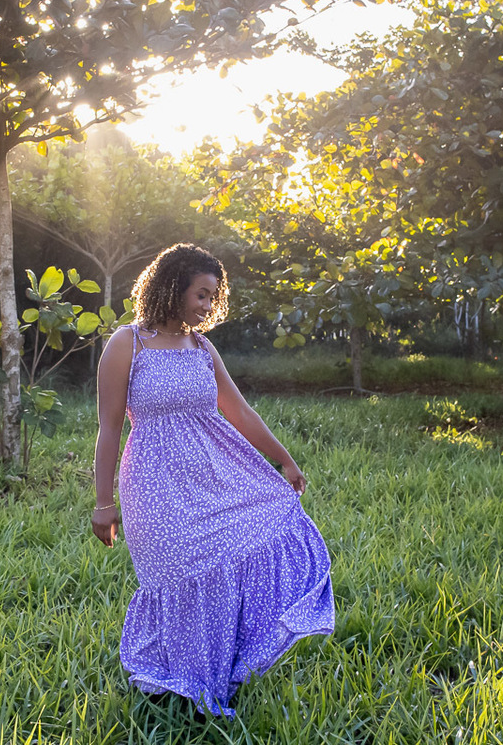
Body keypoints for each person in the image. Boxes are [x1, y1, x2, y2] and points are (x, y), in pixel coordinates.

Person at [91, 242, 334, 717]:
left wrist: (284, 459)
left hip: (216, 476)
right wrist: (104, 503)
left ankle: (215, 674)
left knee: (233, 564)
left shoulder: (202, 347)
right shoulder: (128, 343)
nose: (207, 306)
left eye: (212, 296)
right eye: (201, 294)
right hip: (154, 483)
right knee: (176, 574)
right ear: (172, 287)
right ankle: (175, 679)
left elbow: (238, 410)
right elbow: (110, 428)